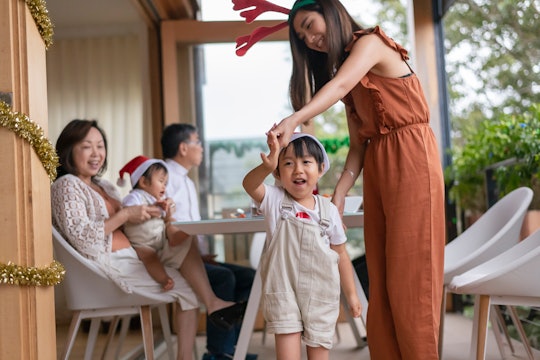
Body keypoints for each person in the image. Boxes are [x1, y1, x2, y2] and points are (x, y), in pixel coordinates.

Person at [268, 1, 447, 359]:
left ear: (330, 11)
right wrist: (340, 193)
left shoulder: (372, 43)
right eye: (302, 37)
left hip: (412, 160)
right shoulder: (350, 82)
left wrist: (295, 119)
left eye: (309, 25)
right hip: (380, 168)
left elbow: (339, 83)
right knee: (380, 282)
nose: (309, 38)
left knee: (410, 280)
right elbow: (357, 146)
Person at [51, 119, 247, 360]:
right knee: (187, 288)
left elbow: (130, 221)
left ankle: (213, 306)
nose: (96, 153)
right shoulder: (66, 185)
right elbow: (82, 239)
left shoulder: (106, 186)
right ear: (69, 150)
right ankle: (209, 315)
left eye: (100, 146)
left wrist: (152, 211)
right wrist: (126, 214)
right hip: (108, 268)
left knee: (184, 243)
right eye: (87, 146)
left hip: (133, 257)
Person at [243, 132, 362, 360]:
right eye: (288, 163)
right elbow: (249, 184)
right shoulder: (275, 200)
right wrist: (266, 165)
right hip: (283, 293)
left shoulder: (329, 211)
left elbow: (341, 255)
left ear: (320, 169)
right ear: (278, 173)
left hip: (321, 296)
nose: (298, 169)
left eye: (306, 162)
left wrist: (352, 295)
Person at [161, 123, 257, 360]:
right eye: (197, 142)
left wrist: (201, 254)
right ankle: (219, 353)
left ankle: (231, 347)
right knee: (226, 277)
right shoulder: (164, 176)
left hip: (193, 257)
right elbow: (167, 223)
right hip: (173, 257)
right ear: (183, 148)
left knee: (250, 278)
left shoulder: (187, 181)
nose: (201, 148)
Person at [118, 155, 185, 291]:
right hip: (141, 243)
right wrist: (155, 209)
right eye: (161, 181)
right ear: (143, 182)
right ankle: (163, 279)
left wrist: (168, 207)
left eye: (165, 183)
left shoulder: (159, 199)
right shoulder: (135, 196)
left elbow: (167, 216)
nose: (164, 187)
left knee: (172, 223)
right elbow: (128, 211)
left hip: (159, 238)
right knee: (150, 259)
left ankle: (177, 237)